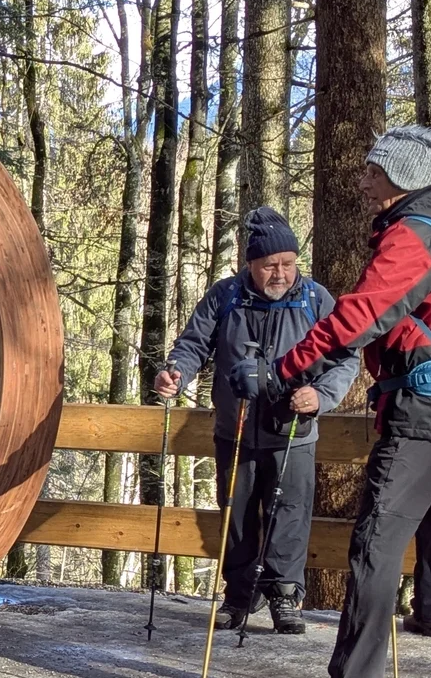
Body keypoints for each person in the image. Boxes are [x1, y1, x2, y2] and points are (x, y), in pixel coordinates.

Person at [226, 125, 431, 677]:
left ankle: (356, 672)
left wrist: (285, 370)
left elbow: (357, 318)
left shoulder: (414, 235)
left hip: (422, 413)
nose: (362, 181)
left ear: (401, 179)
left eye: (373, 171)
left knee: (374, 545)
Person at [155, 208, 357, 635]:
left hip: (294, 433)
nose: (280, 273)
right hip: (237, 429)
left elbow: (345, 358)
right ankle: (240, 596)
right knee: (238, 514)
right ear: (251, 264)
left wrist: (320, 395)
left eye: (288, 263)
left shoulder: (316, 299)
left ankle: (285, 596)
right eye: (270, 265)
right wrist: (175, 371)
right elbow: (194, 343)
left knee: (291, 514)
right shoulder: (226, 295)